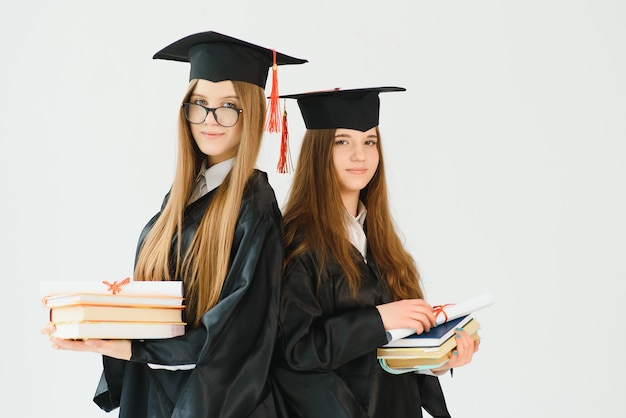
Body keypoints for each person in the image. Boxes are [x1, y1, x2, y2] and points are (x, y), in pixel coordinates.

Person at [41, 31, 307, 417]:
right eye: (199, 103)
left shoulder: (255, 203)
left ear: (252, 114)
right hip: (157, 393)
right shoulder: (182, 197)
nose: (209, 120)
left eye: (228, 106)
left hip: (212, 404)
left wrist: (133, 348)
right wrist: (97, 327)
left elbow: (239, 332)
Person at [270, 87, 480, 418]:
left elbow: (393, 348)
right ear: (318, 151)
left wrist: (435, 359)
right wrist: (379, 319)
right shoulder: (298, 244)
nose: (360, 155)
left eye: (369, 141)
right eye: (343, 141)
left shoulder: (381, 241)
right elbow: (296, 350)